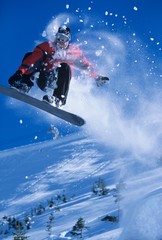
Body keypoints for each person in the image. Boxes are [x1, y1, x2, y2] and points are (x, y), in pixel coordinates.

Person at [8, 25, 109, 107]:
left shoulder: (74, 52)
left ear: (68, 40)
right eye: (59, 37)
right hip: (43, 78)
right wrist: (19, 72)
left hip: (58, 82)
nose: (61, 41)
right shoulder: (47, 47)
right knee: (29, 55)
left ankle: (58, 99)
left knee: (64, 66)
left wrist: (97, 77)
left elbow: (85, 65)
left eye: (64, 38)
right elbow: (32, 60)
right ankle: (24, 84)